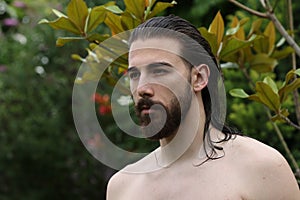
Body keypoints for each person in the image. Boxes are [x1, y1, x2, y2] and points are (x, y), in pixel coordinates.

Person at [106, 15, 300, 199]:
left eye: (159, 71)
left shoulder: (261, 169)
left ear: (199, 78)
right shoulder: (123, 188)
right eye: (134, 75)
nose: (142, 88)